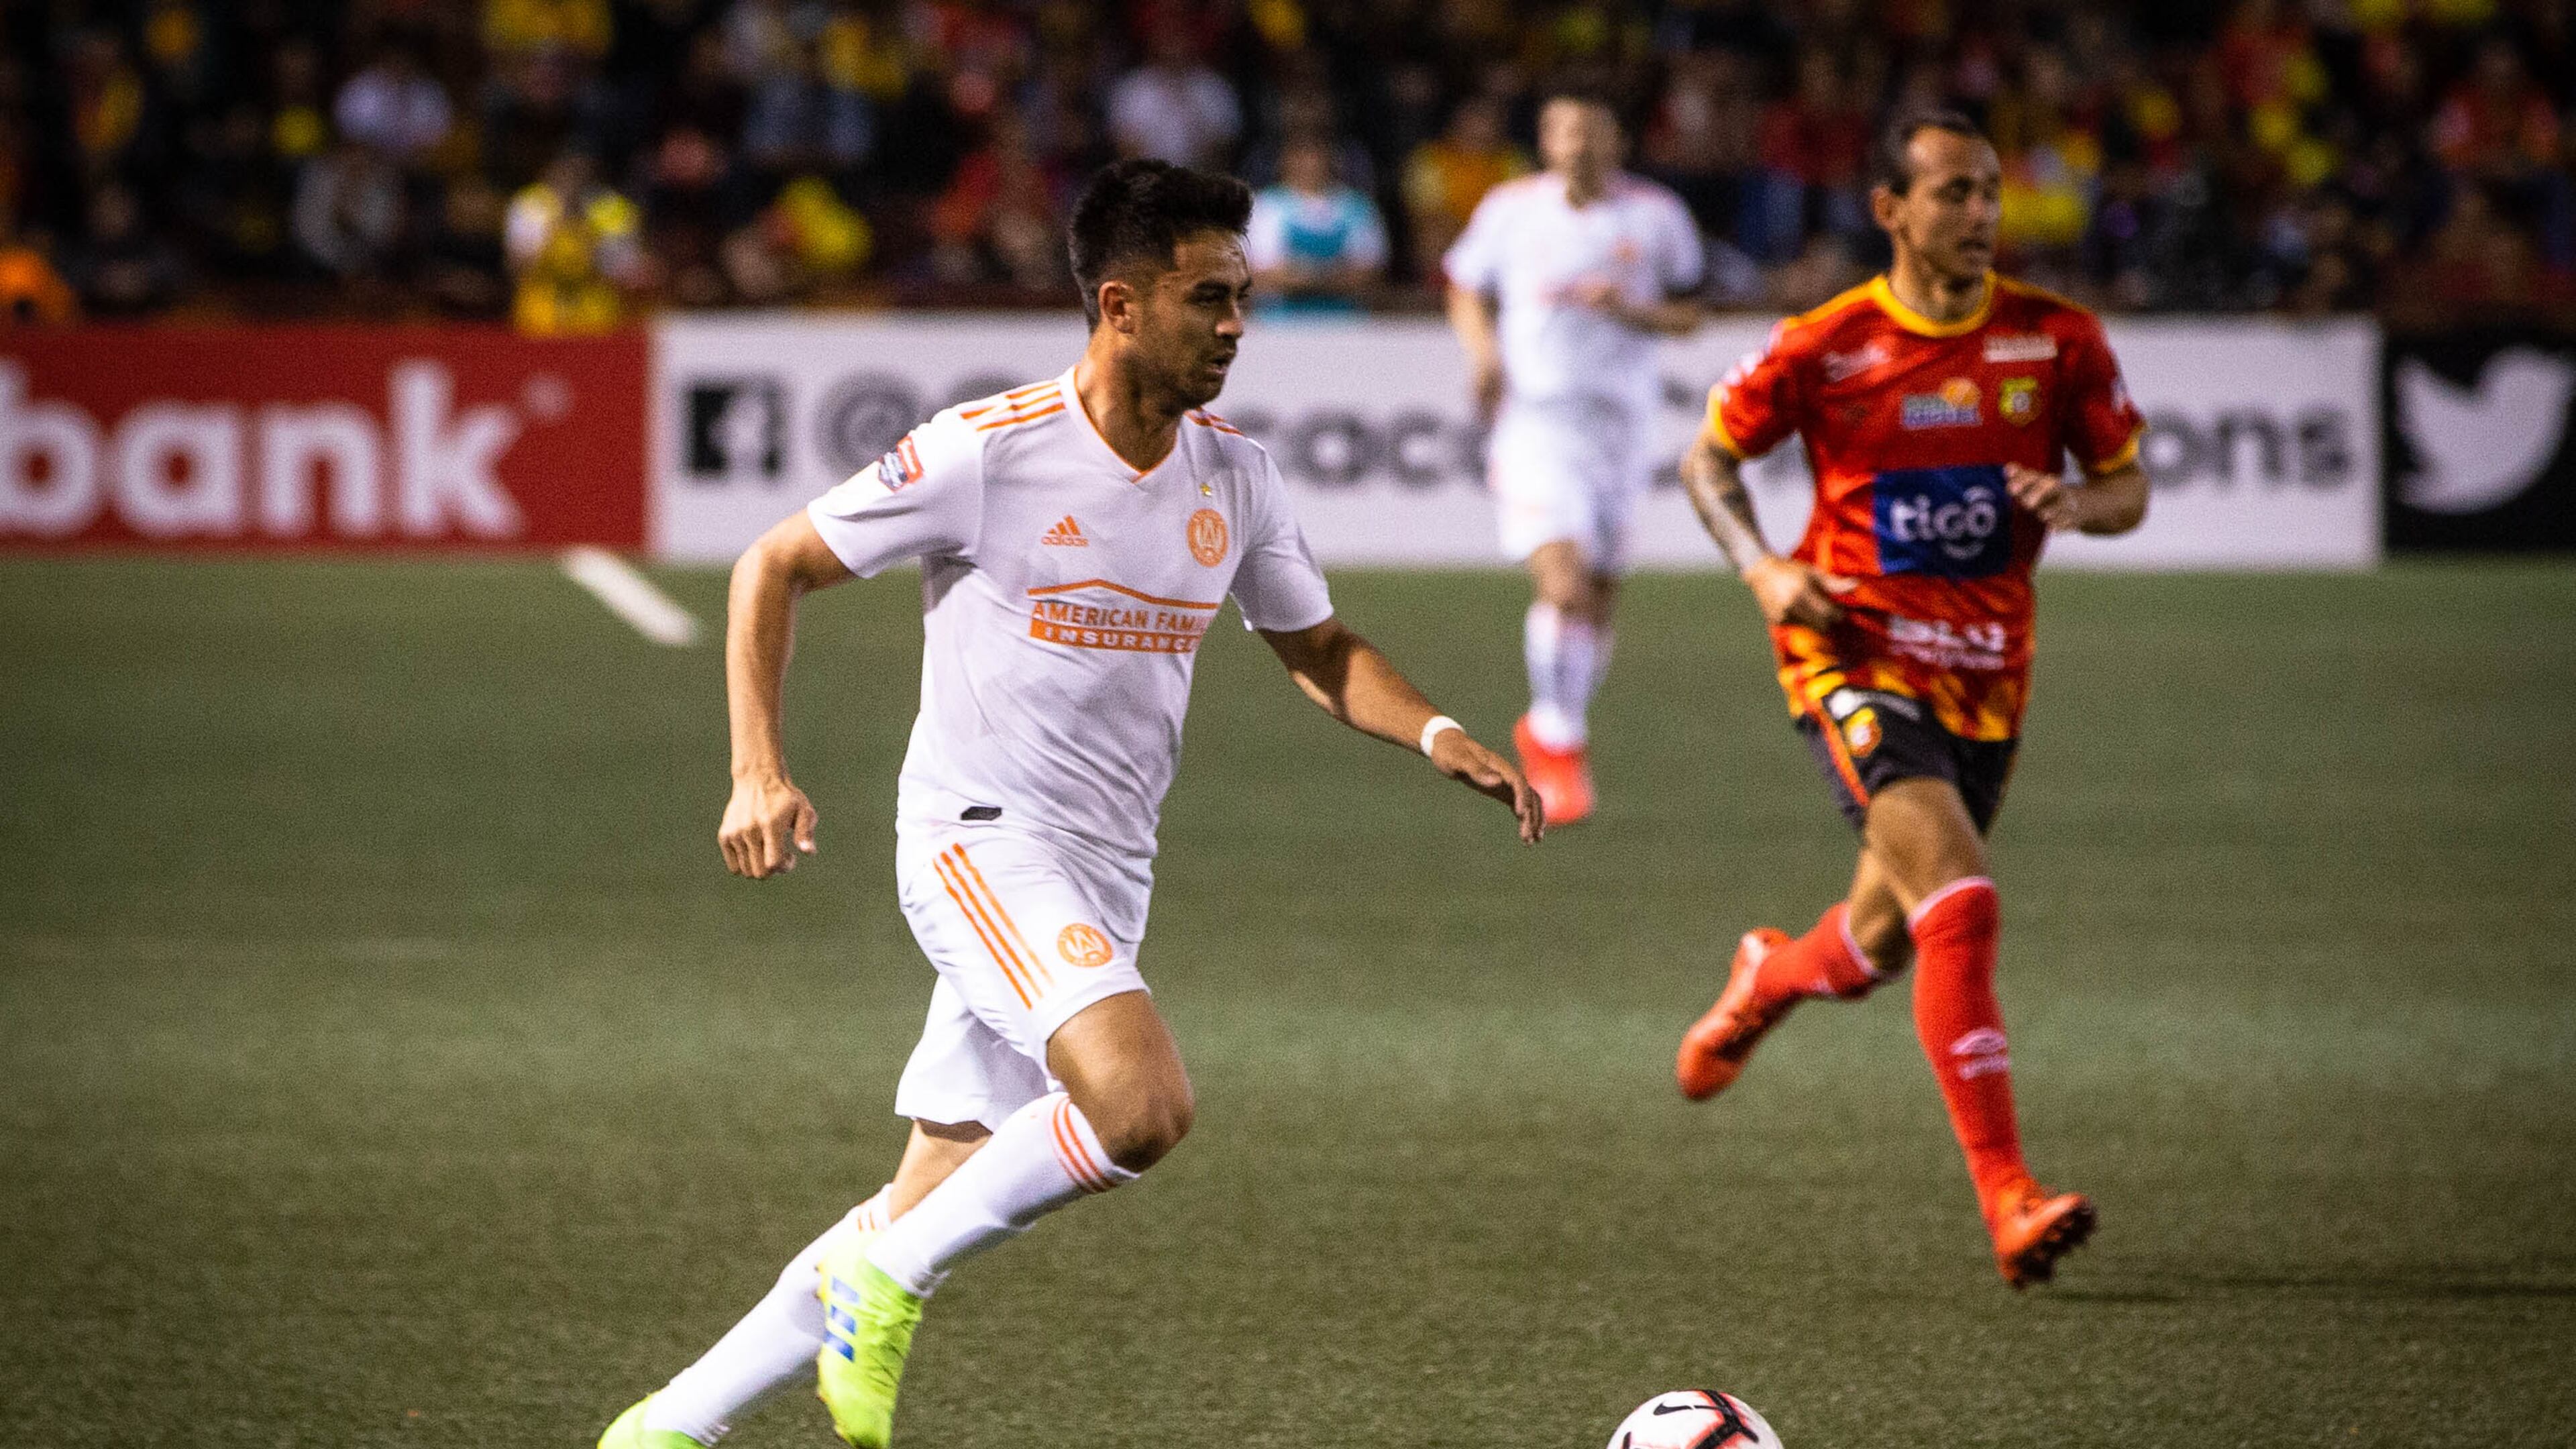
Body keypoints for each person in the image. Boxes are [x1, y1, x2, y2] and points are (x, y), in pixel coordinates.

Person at [597, 158, 1542, 1449]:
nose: (1236, 325)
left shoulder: (1236, 476)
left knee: (927, 1189)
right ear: (1119, 305)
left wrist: (1436, 731)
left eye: (1243, 297)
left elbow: (1317, 650)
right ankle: (890, 1288)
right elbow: (774, 564)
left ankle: (668, 1425)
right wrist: (756, 767)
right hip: (979, 844)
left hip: (1102, 875)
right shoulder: (988, 452)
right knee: (1141, 1106)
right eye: (1208, 298)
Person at [1670, 111, 2150, 1289]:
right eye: (1953, 194)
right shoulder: (1828, 345)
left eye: (1990, 192)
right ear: (1891, 209)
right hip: (1853, 657)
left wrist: (2078, 508)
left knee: (1890, 936)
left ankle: (1771, 977)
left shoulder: (2057, 342)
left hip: (1988, 677)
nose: (1981, 214)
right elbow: (1708, 458)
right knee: (1964, 897)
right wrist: (1766, 568)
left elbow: (2127, 484)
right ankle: (2009, 1197)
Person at [1443, 87, 1707, 824]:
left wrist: (1631, 309)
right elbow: (1464, 286)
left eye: (1591, 130)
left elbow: (1690, 312)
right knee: (1562, 587)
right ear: (1547, 140)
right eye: (1563, 130)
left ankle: (1555, 726)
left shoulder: (1657, 216)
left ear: (1618, 138)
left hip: (1621, 427)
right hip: (1537, 422)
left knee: (1599, 594)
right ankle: (1558, 742)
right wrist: (1485, 354)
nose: (1577, 144)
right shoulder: (1511, 209)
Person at [1244, 130, 1387, 315]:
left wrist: (1305, 276)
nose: (1310, 164)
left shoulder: (1358, 207)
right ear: (1285, 161)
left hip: (1347, 323)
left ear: (1333, 159)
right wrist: (1328, 276)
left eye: (1316, 155)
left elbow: (1369, 273)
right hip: (1279, 325)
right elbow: (1260, 272)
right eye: (1301, 156)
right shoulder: (1266, 206)